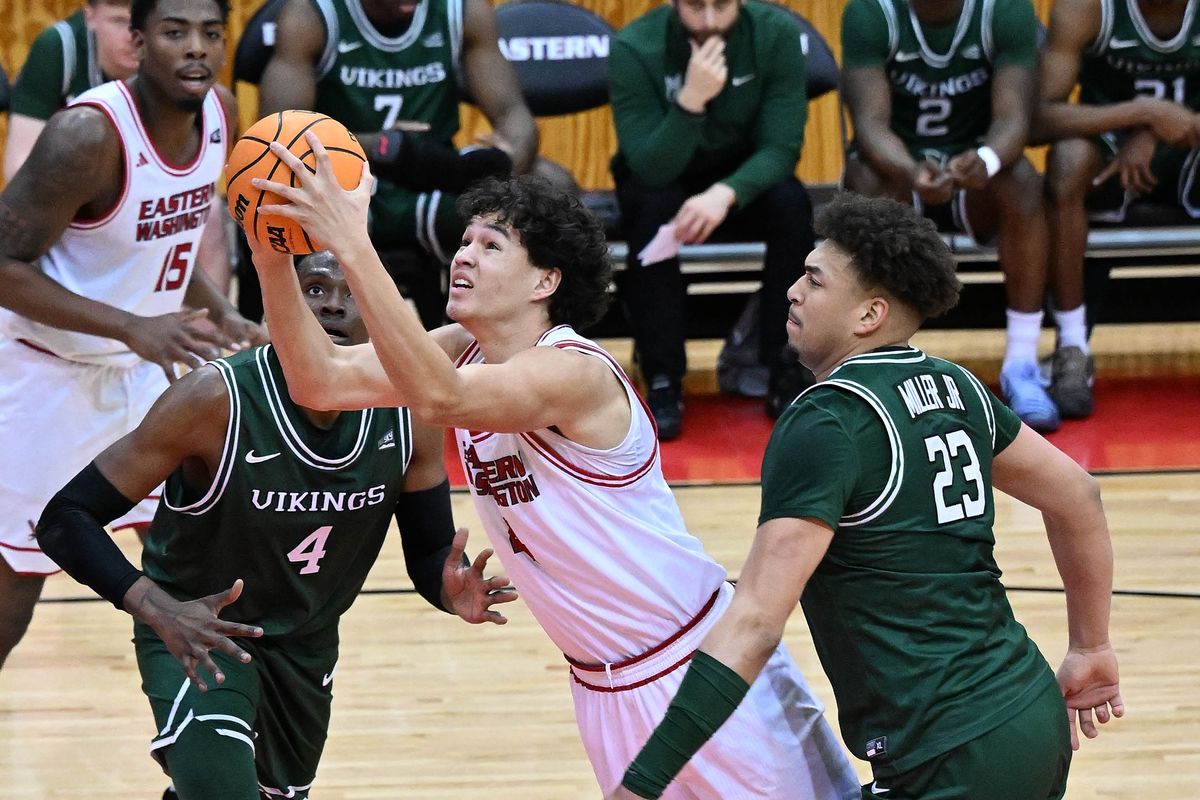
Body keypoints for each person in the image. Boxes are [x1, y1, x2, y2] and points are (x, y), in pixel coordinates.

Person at [246, 142, 861, 798]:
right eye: (463, 241)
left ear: (545, 282)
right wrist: (268, 250)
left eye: (490, 246)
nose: (462, 255)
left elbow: (437, 399)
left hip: (697, 667)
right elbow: (319, 380)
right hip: (601, 687)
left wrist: (352, 241)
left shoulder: (574, 372)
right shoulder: (463, 351)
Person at [604, 194, 1124, 800]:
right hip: (1027, 713)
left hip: (952, 754)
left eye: (814, 281)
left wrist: (643, 784)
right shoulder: (955, 385)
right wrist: (1092, 644)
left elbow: (753, 621)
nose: (793, 291)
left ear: (868, 314)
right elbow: (1078, 496)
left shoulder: (828, 420)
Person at [35, 249, 515, 800]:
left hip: (307, 643)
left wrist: (445, 586)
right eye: (313, 288)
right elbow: (65, 517)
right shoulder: (215, 398)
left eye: (353, 290)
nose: (334, 304)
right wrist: (154, 606)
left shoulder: (409, 410)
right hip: (200, 632)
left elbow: (429, 547)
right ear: (276, 303)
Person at [0, 0, 266, 672]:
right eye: (176, 33)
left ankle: (210, 737)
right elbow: (4, 268)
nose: (196, 49)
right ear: (138, 43)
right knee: (18, 579)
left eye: (211, 33)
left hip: (144, 371)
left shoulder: (221, 113)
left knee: (198, 556)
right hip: (44, 377)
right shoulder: (86, 137)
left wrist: (219, 309)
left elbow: (164, 237)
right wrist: (132, 327)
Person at [241, 0, 540, 326]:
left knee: (547, 186)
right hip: (347, 190)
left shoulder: (464, 11)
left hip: (431, 184)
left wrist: (507, 162)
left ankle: (521, 346)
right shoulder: (311, 15)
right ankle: (274, 339)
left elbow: (515, 114)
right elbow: (280, 138)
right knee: (273, 199)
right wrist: (383, 147)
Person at [840, 0, 1062, 432]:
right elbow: (869, 124)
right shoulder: (870, 12)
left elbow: (1014, 120)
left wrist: (987, 158)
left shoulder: (1005, 11)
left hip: (972, 176)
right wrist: (910, 170)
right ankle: (869, 369)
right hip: (899, 171)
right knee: (863, 178)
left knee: (1021, 181)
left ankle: (1021, 364)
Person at [607, 0, 816, 438]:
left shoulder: (775, 35)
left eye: (720, 6)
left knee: (791, 204)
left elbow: (781, 148)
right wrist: (690, 101)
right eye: (694, 6)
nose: (707, 22)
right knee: (649, 204)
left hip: (739, 177)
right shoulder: (635, 47)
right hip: (664, 174)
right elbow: (648, 166)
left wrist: (727, 192)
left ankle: (786, 367)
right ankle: (663, 376)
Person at [1036, 0, 1200, 420]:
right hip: (1107, 149)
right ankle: (1072, 347)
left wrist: (1158, 131)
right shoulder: (1086, 8)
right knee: (1067, 160)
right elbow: (1039, 117)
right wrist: (1145, 113)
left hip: (1190, 147)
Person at [3, 0, 139, 182]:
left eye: (141, 22)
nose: (133, 36)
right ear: (89, 17)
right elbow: (18, 168)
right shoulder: (58, 47)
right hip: (72, 194)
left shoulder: (174, 50)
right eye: (119, 21)